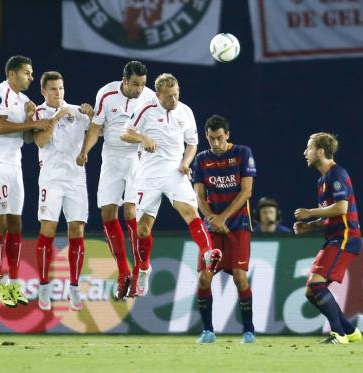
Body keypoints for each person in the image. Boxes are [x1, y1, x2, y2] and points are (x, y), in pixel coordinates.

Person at [120, 73, 216, 302]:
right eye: (169, 96)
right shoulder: (145, 108)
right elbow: (125, 133)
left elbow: (192, 143)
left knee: (190, 213)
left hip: (175, 173)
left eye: (176, 94)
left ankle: (208, 252)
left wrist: (185, 163)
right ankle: (143, 268)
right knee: (142, 230)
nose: (174, 100)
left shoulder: (185, 111)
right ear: (158, 95)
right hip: (148, 176)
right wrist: (143, 138)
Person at [0, 55, 53, 307]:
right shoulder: (0, 91)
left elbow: (27, 125)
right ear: (12, 74)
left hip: (13, 165)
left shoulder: (21, 99)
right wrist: (33, 122)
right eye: (27, 73)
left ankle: (14, 284)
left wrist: (32, 113)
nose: (31, 77)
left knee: (16, 223)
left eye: (31, 73)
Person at [76, 61, 156, 299]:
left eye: (143, 84)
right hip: (111, 158)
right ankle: (123, 273)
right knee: (107, 214)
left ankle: (141, 268)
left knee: (131, 213)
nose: (140, 88)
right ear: (124, 81)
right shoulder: (107, 93)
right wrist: (85, 151)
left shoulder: (150, 98)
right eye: (135, 84)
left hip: (137, 159)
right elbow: (95, 127)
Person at [32, 71, 94, 311]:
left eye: (61, 88)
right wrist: (57, 116)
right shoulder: (39, 113)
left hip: (76, 180)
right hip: (51, 180)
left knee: (77, 229)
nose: (58, 93)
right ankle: (45, 287)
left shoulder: (77, 112)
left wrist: (92, 114)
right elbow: (40, 141)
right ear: (44, 92)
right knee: (48, 228)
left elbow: (98, 128)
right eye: (53, 89)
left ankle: (75, 288)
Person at [192, 115, 257, 344]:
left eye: (220, 138)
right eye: (211, 139)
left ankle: (248, 330)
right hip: (212, 229)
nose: (216, 143)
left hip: (238, 226)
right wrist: (211, 218)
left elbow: (246, 191)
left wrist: (223, 217)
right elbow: (199, 195)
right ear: (206, 137)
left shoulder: (242, 153)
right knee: (204, 279)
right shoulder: (201, 159)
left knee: (240, 277)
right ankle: (208, 331)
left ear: (227, 135)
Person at [293, 132, 363, 344]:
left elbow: (341, 208)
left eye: (309, 148)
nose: (305, 152)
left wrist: (310, 212)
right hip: (334, 237)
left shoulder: (336, 173)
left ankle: (338, 334)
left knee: (317, 285)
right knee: (310, 291)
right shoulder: (323, 180)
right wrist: (309, 227)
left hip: (345, 237)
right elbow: (330, 216)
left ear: (320, 151)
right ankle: (350, 331)